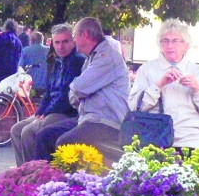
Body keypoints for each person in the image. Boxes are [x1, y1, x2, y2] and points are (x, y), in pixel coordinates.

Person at [34, 17, 129, 162]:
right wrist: (78, 93)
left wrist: (79, 93)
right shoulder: (91, 57)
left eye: (74, 36)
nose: (74, 41)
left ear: (84, 35)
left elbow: (77, 88)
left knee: (63, 143)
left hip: (106, 122)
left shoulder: (106, 56)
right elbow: (74, 94)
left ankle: (65, 183)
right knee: (45, 135)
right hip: (87, 118)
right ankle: (41, 179)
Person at [128, 19, 199, 152]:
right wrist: (158, 85)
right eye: (165, 41)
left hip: (191, 141)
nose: (170, 45)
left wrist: (198, 89)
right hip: (153, 140)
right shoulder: (147, 70)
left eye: (175, 41)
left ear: (186, 45)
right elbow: (134, 106)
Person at [11, 24, 85, 165]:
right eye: (57, 42)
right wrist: (40, 111)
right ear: (52, 43)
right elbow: (48, 92)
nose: (61, 46)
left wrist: (46, 112)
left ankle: (34, 171)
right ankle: (22, 170)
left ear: (73, 42)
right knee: (16, 130)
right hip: (50, 110)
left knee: (28, 132)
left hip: (65, 112)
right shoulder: (57, 63)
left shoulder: (77, 61)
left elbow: (66, 96)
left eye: (65, 42)